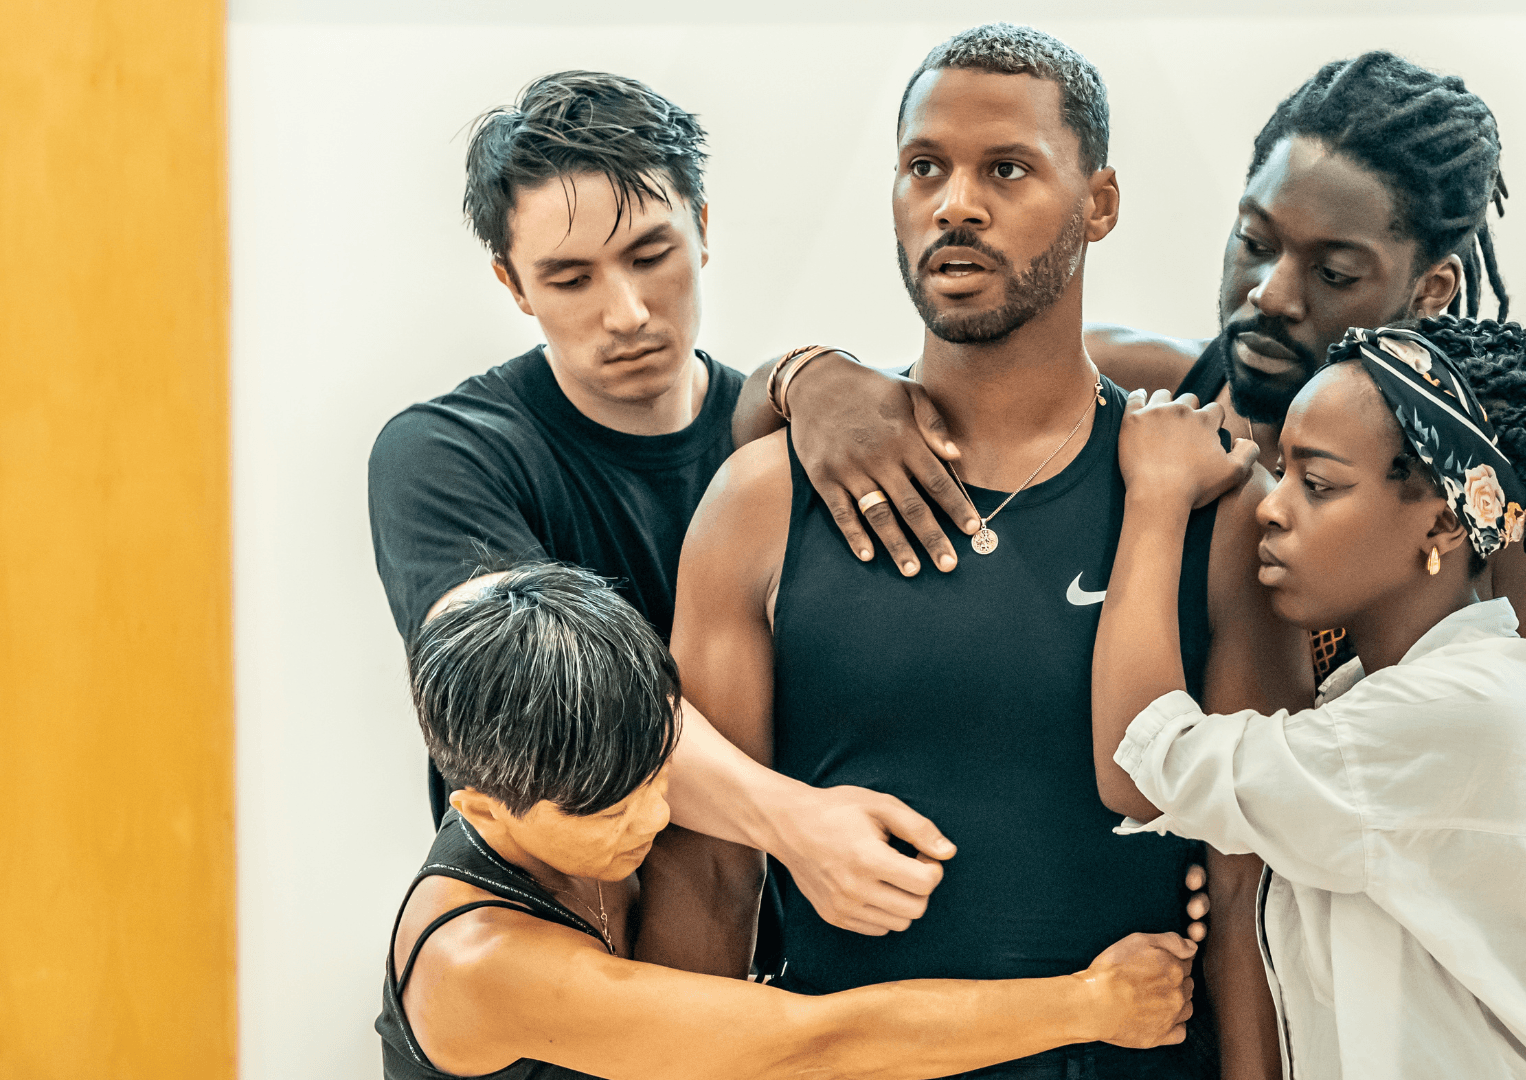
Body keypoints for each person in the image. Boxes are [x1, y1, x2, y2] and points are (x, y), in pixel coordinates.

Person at [777, 51, 1526, 879]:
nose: (1272, 292)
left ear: (1432, 290)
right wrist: (808, 376)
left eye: (1334, 272)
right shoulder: (1131, 390)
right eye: (1255, 240)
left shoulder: (1518, 524)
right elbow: (840, 413)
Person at [670, 24, 1301, 1079]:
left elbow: (1249, 893)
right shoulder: (762, 504)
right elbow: (709, 875)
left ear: (1099, 203)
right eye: (925, 167)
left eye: (1007, 169)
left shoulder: (1212, 509)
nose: (955, 204)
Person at [365, 70, 966, 975]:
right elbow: (542, 697)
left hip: (785, 972)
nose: (628, 313)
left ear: (704, 230)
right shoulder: (445, 456)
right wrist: (792, 822)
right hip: (544, 975)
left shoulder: (786, 448)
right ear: (513, 284)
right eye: (569, 278)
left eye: (651, 255)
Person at [1088, 318, 1526, 1078]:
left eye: (1317, 485)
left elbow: (1141, 760)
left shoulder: (1457, 714)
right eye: (1281, 471)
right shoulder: (1423, 692)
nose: (1271, 506)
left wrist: (1157, 496)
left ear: (1442, 521)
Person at [376, 562, 1197, 1080]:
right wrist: (1093, 1003)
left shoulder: (581, 754)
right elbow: (816, 1043)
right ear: (478, 805)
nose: (656, 814)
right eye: (609, 810)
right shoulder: (479, 967)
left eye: (657, 773)